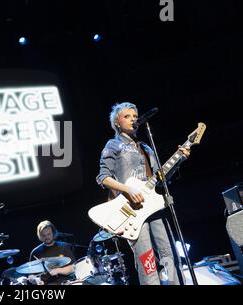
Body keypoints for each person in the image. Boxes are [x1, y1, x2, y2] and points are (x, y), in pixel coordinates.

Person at [95, 102, 190, 285]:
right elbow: (103, 177)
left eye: (135, 116)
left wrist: (179, 160)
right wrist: (128, 189)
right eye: (127, 116)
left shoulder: (146, 148)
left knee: (169, 254)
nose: (133, 119)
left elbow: (160, 180)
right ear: (117, 122)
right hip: (132, 210)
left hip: (154, 206)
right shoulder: (113, 145)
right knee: (147, 262)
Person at [28, 220, 76, 285]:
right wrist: (36, 280)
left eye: (48, 234)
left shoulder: (64, 246)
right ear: (40, 236)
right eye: (43, 235)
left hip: (65, 282)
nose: (46, 237)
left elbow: (73, 267)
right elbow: (30, 275)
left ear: (53, 233)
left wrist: (58, 270)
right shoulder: (35, 252)